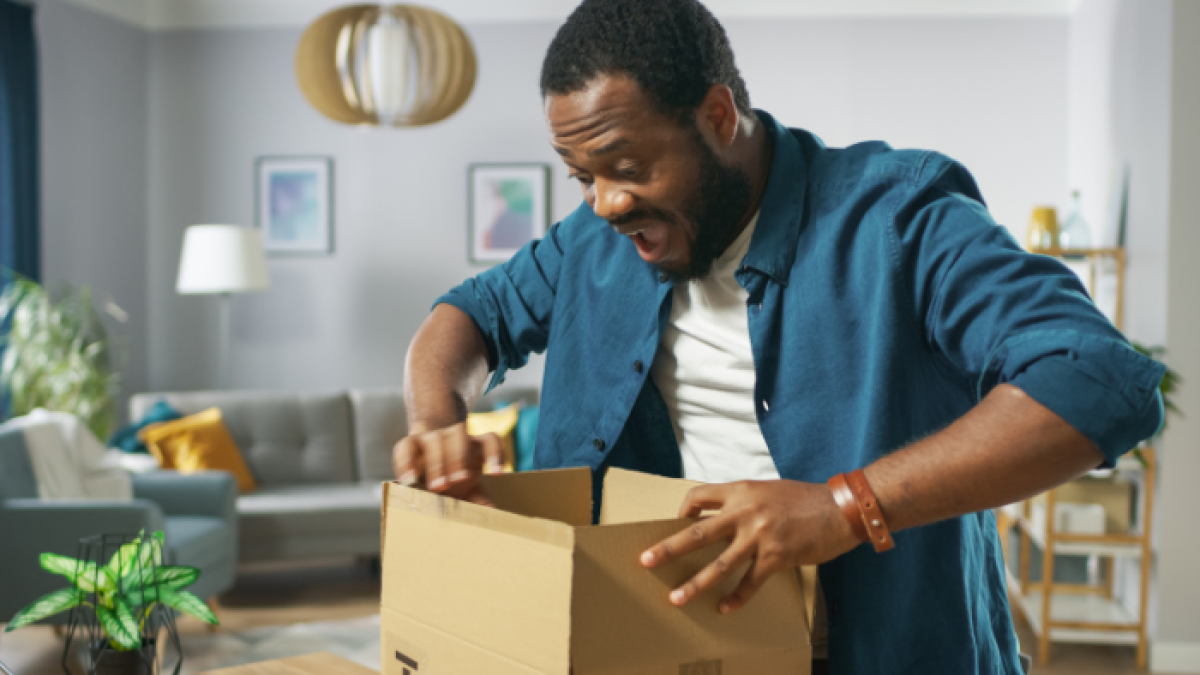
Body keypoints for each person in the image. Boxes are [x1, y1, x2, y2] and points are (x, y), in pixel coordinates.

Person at [393, 0, 1166, 672]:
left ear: (718, 117)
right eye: (582, 176)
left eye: (627, 166)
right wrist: (435, 422)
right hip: (655, 638)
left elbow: (1099, 380)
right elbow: (468, 316)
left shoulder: (899, 217)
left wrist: (842, 506)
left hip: (873, 644)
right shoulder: (593, 241)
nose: (606, 203)